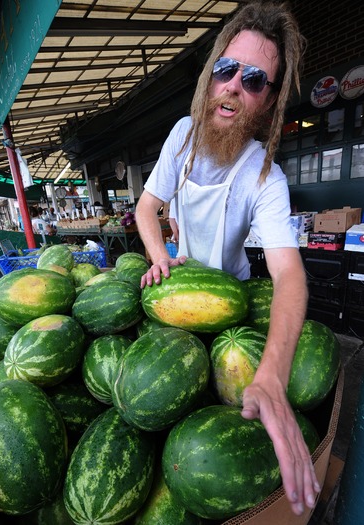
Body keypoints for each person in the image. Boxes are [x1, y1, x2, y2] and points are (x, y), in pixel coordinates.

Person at [135, 1, 318, 516]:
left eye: (256, 79)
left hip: (230, 305)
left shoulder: (266, 179)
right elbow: (148, 209)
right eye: (227, 69)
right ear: (211, 77)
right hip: (176, 290)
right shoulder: (181, 137)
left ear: (268, 101)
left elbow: (288, 276)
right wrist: (160, 257)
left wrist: (272, 376)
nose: (236, 85)